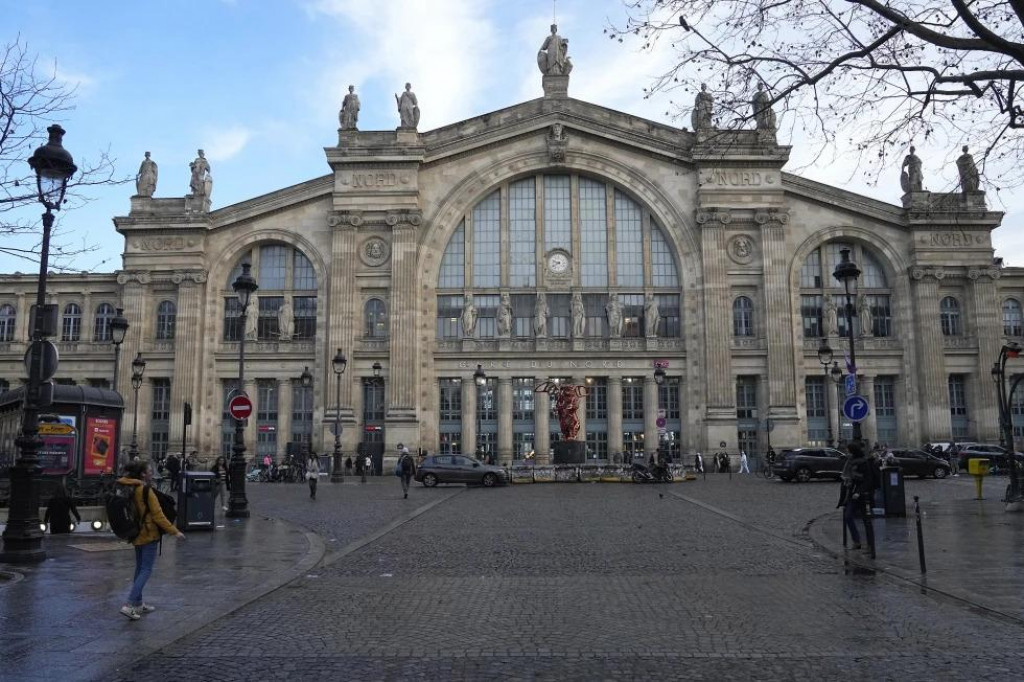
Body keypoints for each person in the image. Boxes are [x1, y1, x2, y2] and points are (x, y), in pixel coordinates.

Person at [118, 459, 185, 620]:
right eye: (149, 470)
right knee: (146, 570)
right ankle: (129, 604)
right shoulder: (145, 490)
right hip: (148, 533)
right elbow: (158, 515)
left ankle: (138, 603)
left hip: (135, 532)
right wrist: (174, 531)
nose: (151, 473)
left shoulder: (127, 486)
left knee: (140, 568)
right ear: (142, 474)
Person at [838, 441, 877, 551]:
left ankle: (870, 545)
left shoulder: (863, 462)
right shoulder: (849, 462)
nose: (846, 451)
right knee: (848, 516)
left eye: (848, 450)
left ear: (853, 451)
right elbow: (846, 477)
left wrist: (858, 492)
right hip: (852, 494)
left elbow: (868, 480)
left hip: (863, 495)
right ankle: (856, 541)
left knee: (866, 520)